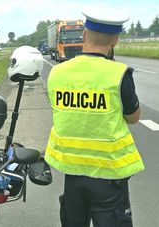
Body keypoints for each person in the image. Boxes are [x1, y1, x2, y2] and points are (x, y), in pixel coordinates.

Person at [45, 6, 145, 227]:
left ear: (84, 35)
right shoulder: (119, 74)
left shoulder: (57, 73)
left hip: (72, 173)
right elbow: (133, 117)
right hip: (109, 177)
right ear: (115, 41)